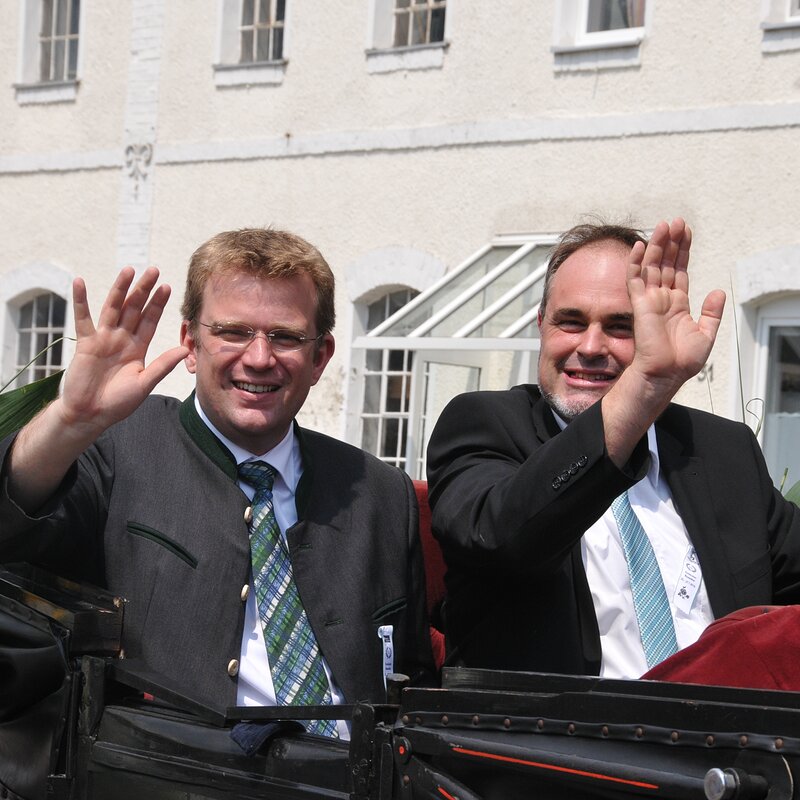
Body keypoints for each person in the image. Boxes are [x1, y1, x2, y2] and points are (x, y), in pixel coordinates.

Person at [0, 228, 434, 738]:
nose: (259, 358)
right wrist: (69, 424)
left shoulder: (381, 492)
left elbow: (415, 687)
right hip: (169, 767)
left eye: (286, 337)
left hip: (352, 771)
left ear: (320, 357)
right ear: (190, 343)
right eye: (233, 332)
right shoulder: (115, 447)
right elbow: (13, 525)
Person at [426, 217, 800, 680]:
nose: (590, 346)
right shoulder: (484, 424)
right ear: (541, 325)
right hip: (556, 726)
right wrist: (644, 386)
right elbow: (502, 538)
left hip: (725, 721)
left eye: (621, 326)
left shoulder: (724, 450)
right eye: (571, 322)